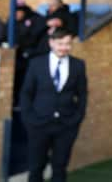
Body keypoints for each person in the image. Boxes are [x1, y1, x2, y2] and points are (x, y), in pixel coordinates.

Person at [20, 28, 87, 182]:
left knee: (60, 167)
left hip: (66, 125)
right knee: (36, 167)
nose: (64, 47)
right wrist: (29, 119)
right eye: (60, 43)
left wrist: (77, 118)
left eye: (68, 44)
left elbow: (82, 94)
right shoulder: (36, 63)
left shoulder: (78, 65)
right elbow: (26, 93)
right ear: (51, 43)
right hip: (38, 125)